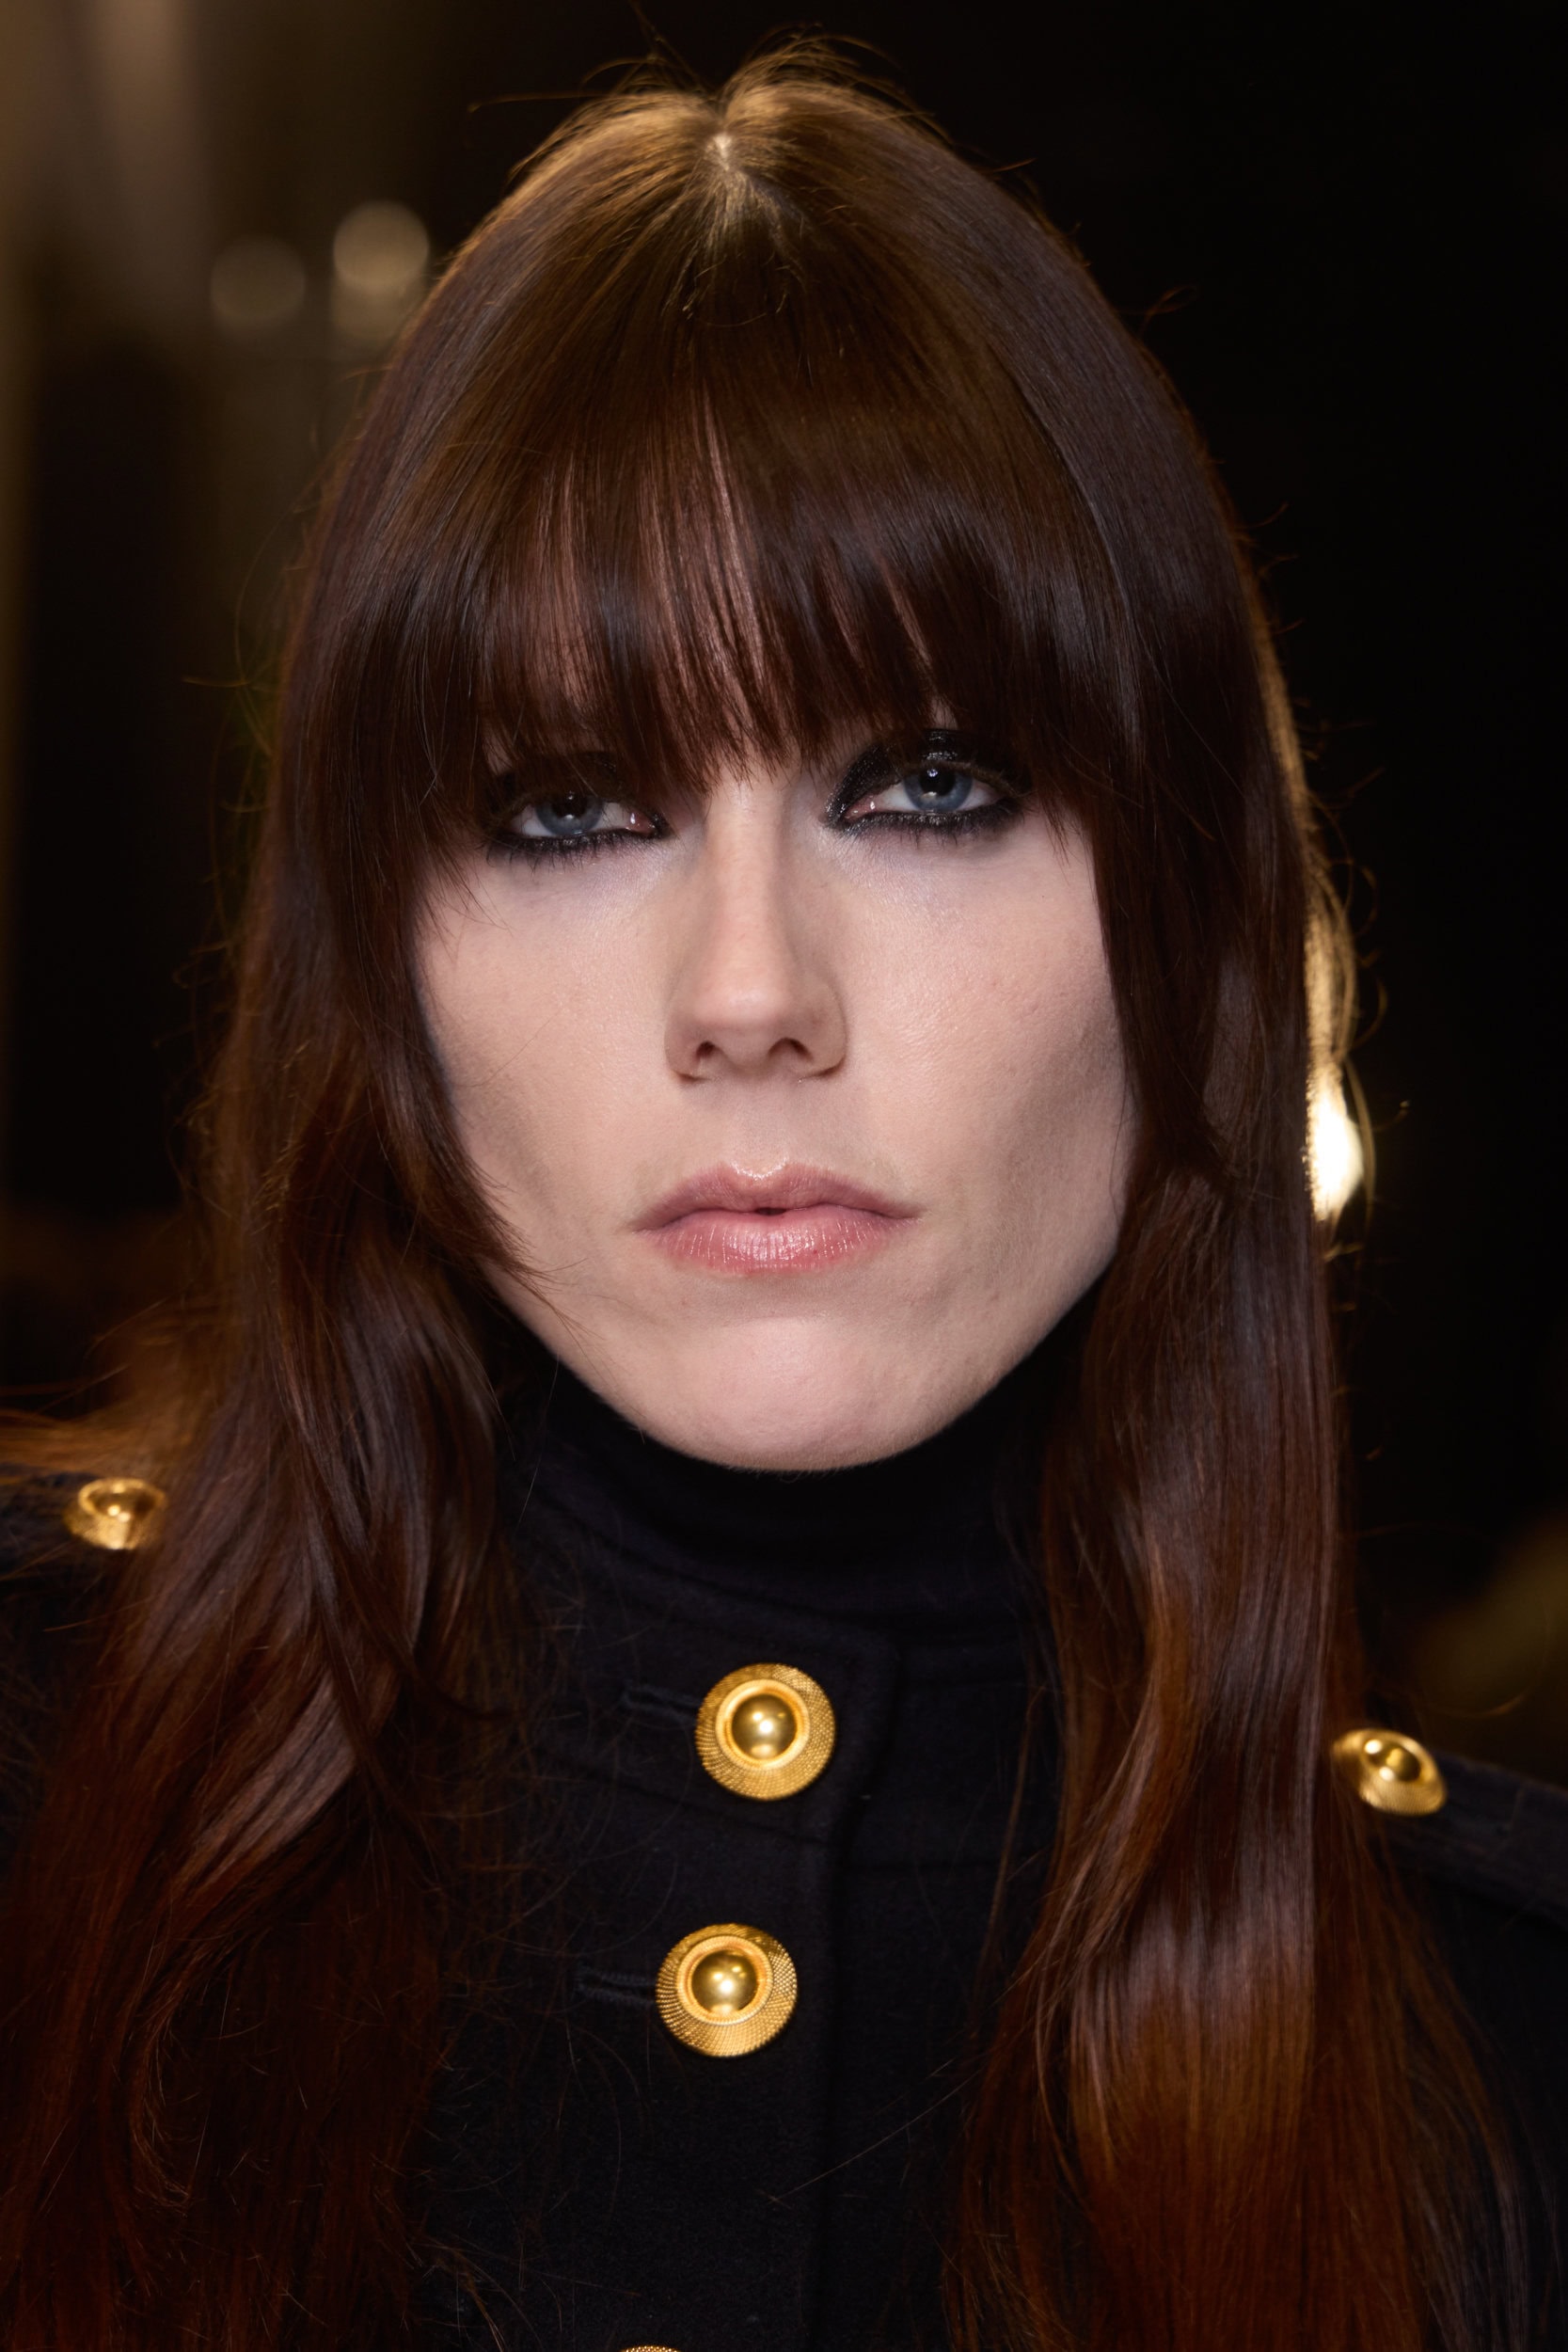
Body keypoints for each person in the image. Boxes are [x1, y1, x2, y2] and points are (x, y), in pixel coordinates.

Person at [2, 46, 1565, 2352]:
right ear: (379, 968)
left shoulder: (1511, 2070)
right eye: (565, 806)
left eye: (928, 785)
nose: (749, 994)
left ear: (1192, 927)